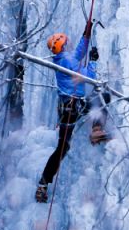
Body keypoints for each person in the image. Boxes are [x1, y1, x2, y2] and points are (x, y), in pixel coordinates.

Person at [36, 21, 110, 203]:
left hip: (67, 109)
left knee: (62, 148)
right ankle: (97, 130)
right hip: (73, 107)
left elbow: (77, 54)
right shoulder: (67, 61)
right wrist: (93, 61)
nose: (69, 43)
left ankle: (43, 184)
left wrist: (86, 35)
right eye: (66, 42)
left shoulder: (62, 59)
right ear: (62, 46)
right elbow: (87, 77)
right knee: (102, 98)